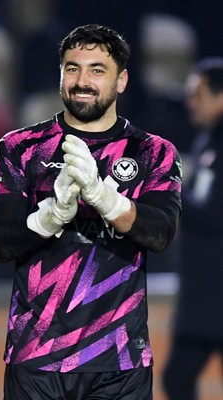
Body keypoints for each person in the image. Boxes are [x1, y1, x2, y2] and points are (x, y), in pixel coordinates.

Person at [0, 24, 182, 400]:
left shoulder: (154, 152)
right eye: (72, 68)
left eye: (97, 69)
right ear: (60, 75)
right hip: (36, 358)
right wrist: (51, 215)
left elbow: (160, 234)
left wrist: (102, 197)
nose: (82, 80)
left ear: (121, 80)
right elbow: (1, 242)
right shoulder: (19, 149)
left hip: (119, 361)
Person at [162, 58, 223, 400]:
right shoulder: (209, 142)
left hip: (214, 295)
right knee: (178, 379)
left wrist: (170, 194)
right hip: (206, 296)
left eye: (197, 94)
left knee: (178, 378)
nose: (191, 103)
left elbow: (215, 213)